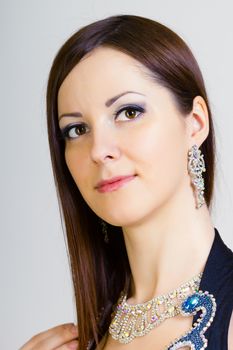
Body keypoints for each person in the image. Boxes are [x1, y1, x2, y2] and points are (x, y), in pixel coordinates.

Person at [20, 14, 233, 350]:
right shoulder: (88, 334)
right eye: (76, 130)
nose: (99, 150)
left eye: (129, 112)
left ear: (195, 124)